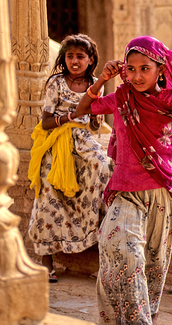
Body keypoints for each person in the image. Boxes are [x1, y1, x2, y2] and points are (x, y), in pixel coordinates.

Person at [71, 35, 172, 325]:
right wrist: (103, 78)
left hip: (159, 191)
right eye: (131, 69)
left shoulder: (171, 97)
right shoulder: (121, 97)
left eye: (145, 68)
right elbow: (82, 109)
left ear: (161, 70)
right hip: (124, 190)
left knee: (154, 264)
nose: (136, 75)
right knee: (121, 247)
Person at [27, 34, 112, 283]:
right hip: (56, 141)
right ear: (64, 59)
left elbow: (95, 121)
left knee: (103, 169)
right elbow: (46, 121)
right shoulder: (56, 82)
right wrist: (70, 117)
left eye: (80, 56)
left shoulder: (96, 83)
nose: (75, 61)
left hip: (84, 142)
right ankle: (46, 262)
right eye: (70, 56)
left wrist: (95, 118)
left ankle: (99, 252)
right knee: (48, 194)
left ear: (91, 60)